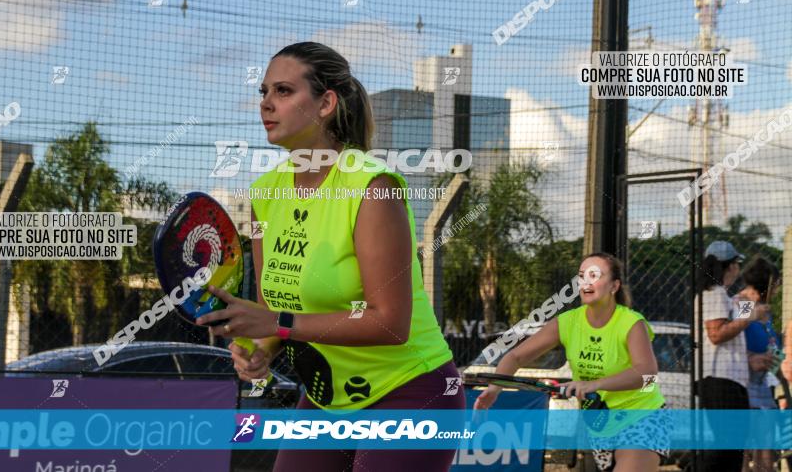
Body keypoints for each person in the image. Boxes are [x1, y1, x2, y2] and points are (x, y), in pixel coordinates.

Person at [197, 42, 463, 471]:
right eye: (264, 91)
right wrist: (261, 348)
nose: (266, 103)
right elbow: (276, 309)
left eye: (283, 91)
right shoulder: (265, 194)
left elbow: (389, 323)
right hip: (328, 396)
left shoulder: (373, 187)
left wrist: (278, 325)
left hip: (411, 390)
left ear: (325, 103)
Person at [474, 252, 670, 472]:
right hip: (600, 423)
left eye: (594, 275)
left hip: (642, 416)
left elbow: (648, 375)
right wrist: (494, 389)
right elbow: (515, 356)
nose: (586, 281)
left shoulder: (631, 323)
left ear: (614, 286)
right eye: (581, 275)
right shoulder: (567, 322)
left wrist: (593, 384)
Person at [694, 240, 768, 471]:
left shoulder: (724, 296)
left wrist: (750, 358)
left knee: (733, 444)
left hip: (730, 379)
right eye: (737, 263)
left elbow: (736, 324)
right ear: (731, 266)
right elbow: (716, 334)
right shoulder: (714, 294)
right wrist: (751, 316)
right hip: (721, 380)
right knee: (727, 445)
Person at [740, 255, 783, 472]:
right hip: (745, 382)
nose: (776, 291)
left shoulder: (766, 310)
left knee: (766, 444)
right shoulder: (745, 304)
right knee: (745, 446)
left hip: (765, 382)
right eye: (775, 285)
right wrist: (750, 358)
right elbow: (736, 335)